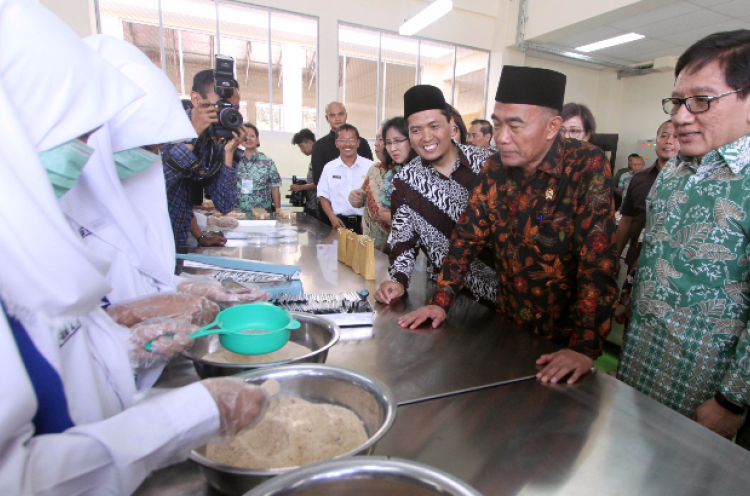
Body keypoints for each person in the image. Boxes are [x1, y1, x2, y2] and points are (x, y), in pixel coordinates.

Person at [0, 2, 268, 493]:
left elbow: (71, 336)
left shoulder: (31, 225)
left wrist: (127, 330)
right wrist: (189, 415)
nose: (84, 155)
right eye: (80, 140)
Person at [399, 66, 618, 385]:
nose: (501, 137)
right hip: (510, 324)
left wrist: (584, 348)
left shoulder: (587, 165)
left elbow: (598, 262)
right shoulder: (495, 168)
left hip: (565, 341)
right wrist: (441, 300)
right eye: (498, 124)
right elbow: (466, 238)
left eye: (515, 126)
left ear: (552, 126)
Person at [617, 30, 750, 443]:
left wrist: (731, 402)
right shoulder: (676, 170)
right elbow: (653, 249)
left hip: (707, 397)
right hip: (641, 367)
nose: (680, 116)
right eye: (677, 101)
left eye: (702, 101)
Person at [373, 85, 497, 307]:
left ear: (451, 125)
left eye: (434, 126)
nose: (426, 137)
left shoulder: (488, 164)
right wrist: (398, 280)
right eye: (416, 130)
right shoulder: (405, 182)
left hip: (500, 296)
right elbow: (403, 239)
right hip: (442, 298)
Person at [161, 69, 248, 252]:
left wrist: (229, 153)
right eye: (222, 106)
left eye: (233, 109)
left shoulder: (213, 145)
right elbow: (159, 184)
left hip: (179, 240)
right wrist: (192, 135)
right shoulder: (166, 128)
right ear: (196, 100)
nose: (227, 114)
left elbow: (224, 204)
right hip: (151, 242)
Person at [614, 121, 679, 326]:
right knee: (627, 320)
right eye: (664, 135)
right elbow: (626, 220)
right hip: (637, 262)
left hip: (670, 270)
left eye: (676, 136)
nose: (669, 141)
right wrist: (614, 257)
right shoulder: (639, 179)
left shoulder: (691, 182)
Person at [311, 102, 373, 223]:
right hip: (333, 219)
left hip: (364, 221)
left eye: (340, 114)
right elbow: (320, 184)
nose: (337, 118)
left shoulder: (364, 145)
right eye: (333, 115)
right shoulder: (320, 147)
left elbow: (371, 182)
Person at [317, 124, 374, 233]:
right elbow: (323, 195)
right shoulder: (329, 168)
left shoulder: (371, 167)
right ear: (336, 143)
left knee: (365, 251)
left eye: (351, 140)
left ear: (358, 143)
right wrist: (332, 217)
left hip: (366, 225)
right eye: (342, 140)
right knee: (340, 251)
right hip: (339, 223)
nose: (347, 144)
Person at [347, 125, 391, 250]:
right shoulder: (374, 169)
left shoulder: (403, 173)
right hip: (370, 244)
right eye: (376, 139)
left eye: (381, 140)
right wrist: (356, 197)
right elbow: (363, 195)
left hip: (393, 248)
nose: (376, 144)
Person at [234, 123, 282, 215]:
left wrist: (278, 211)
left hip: (263, 215)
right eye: (245, 136)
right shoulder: (234, 160)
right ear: (240, 140)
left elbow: (275, 188)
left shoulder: (268, 162)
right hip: (239, 214)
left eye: (252, 136)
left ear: (257, 140)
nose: (248, 139)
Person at [379, 117, 418, 225]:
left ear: (411, 139)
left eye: (397, 141)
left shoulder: (431, 169)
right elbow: (383, 212)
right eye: (388, 143)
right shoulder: (392, 175)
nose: (393, 148)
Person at [291, 128, 318, 219]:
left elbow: (319, 183)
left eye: (302, 146)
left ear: (310, 142)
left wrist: (300, 187)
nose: (301, 150)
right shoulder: (314, 158)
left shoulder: (320, 158)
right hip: (311, 205)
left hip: (318, 208)